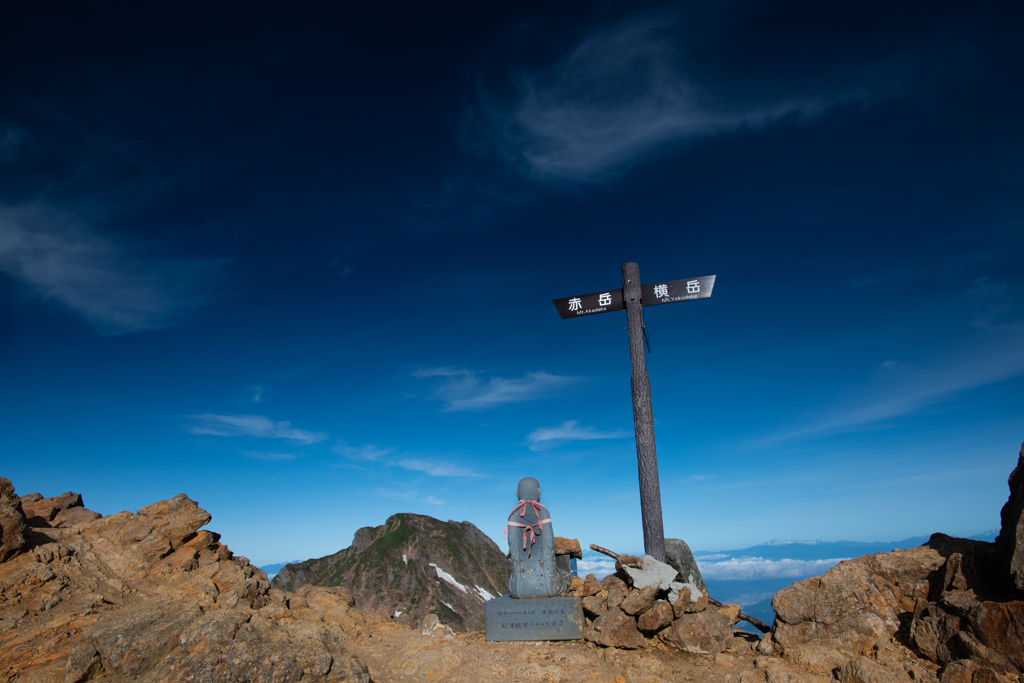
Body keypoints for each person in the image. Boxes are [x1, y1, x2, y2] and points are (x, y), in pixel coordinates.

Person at [504, 477, 571, 599]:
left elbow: (513, 547)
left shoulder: (513, 515)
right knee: (566, 577)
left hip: (518, 588)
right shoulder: (542, 512)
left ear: (517, 494)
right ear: (539, 492)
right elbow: (549, 545)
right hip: (547, 585)